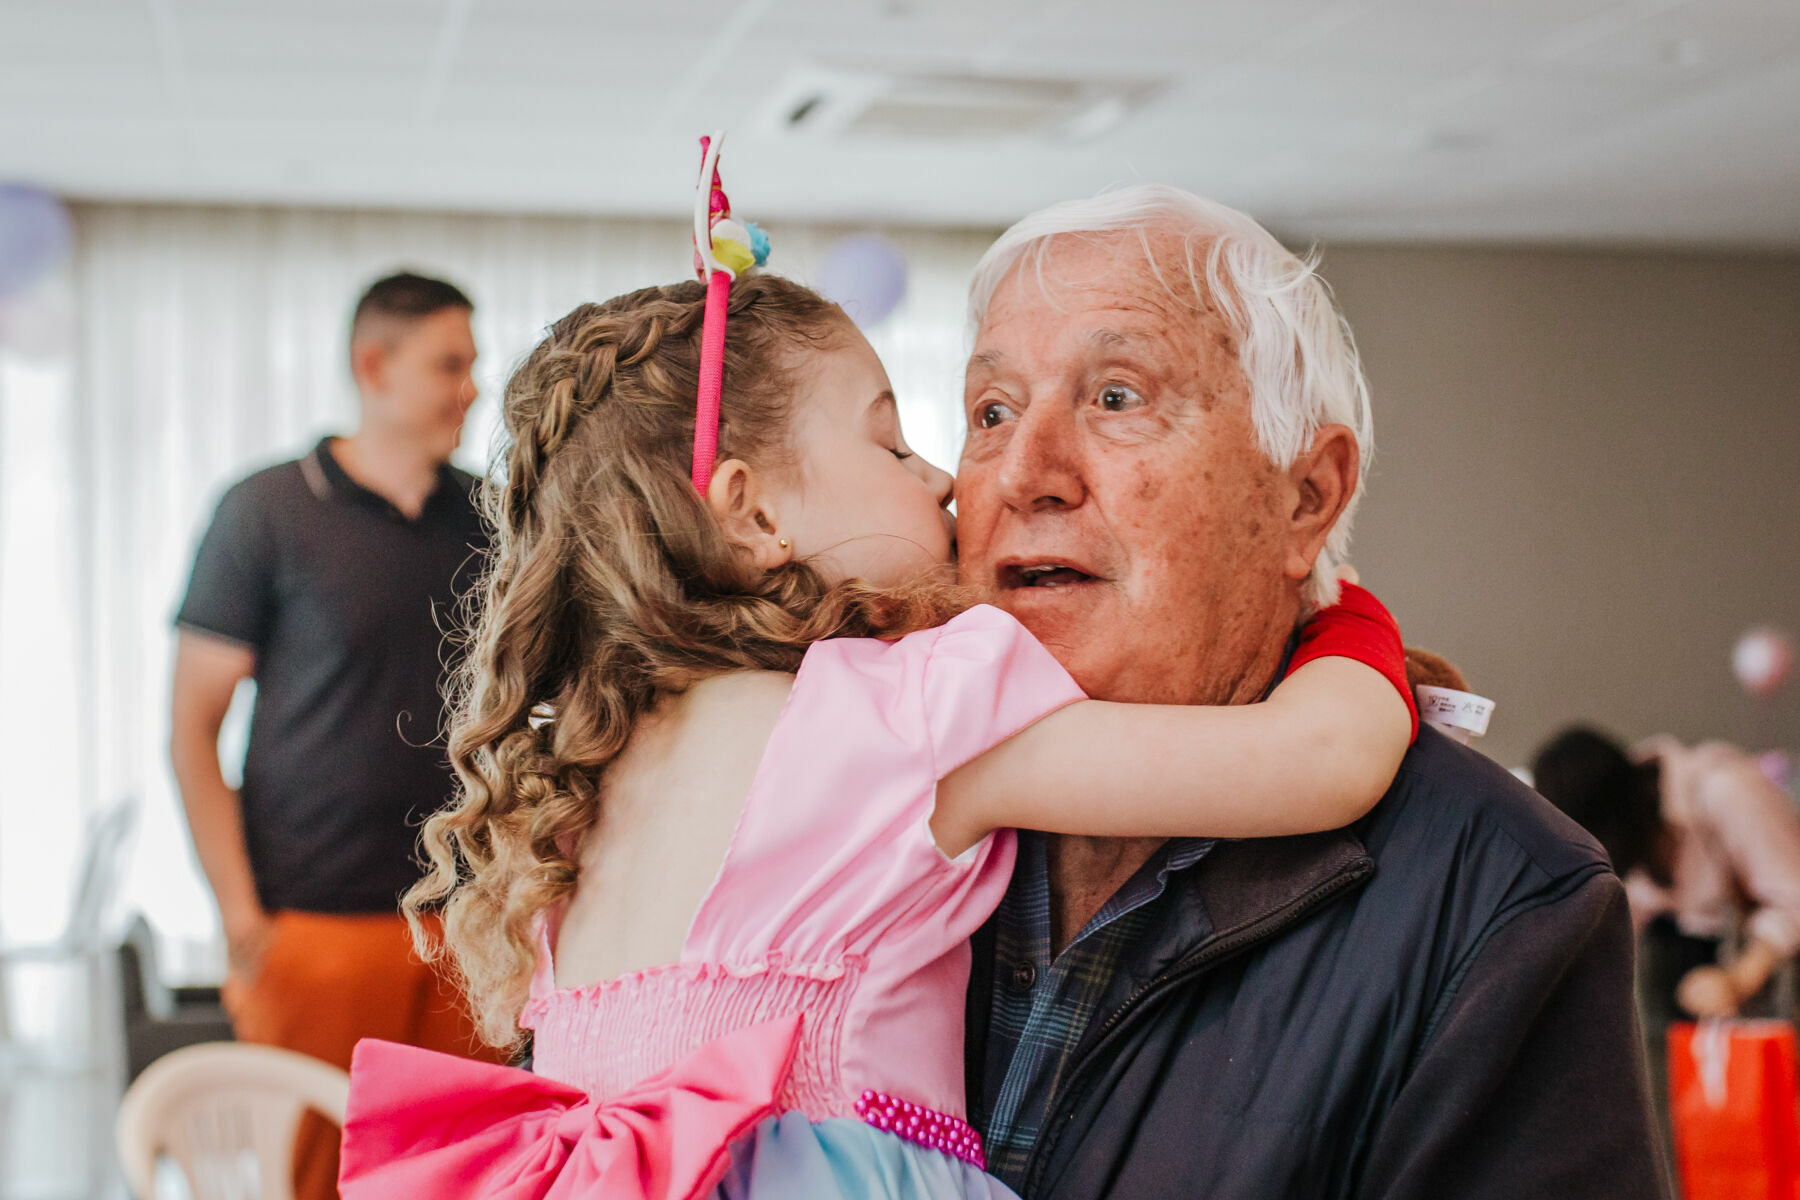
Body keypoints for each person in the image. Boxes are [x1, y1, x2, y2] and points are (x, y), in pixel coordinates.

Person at [335, 263, 1420, 1199]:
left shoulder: (587, 784)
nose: (946, 478)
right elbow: (1323, 761)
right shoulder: (903, 712)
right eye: (894, 446)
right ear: (754, 514)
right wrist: (1342, 613)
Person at [952, 185, 1669, 1198]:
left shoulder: (1502, 904)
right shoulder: (870, 807)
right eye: (991, 411)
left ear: (1305, 495)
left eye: (1117, 397)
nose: (1027, 472)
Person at [169, 271, 499, 1200]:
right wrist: (241, 919)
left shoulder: (488, 517)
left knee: (453, 1177)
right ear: (373, 364)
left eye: (471, 364)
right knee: (314, 1179)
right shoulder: (267, 512)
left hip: (461, 927)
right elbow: (192, 730)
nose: (470, 387)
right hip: (312, 923)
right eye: (450, 364)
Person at [1533, 726, 1800, 1157]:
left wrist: (1738, 979)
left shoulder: (1724, 790)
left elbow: (1794, 896)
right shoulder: (1619, 822)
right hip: (1698, 967)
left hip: (1774, 971)